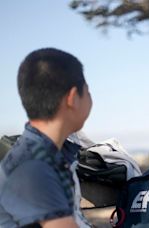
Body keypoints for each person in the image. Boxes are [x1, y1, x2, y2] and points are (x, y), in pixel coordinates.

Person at [0, 48, 93, 227]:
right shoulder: (34, 167)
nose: (91, 100)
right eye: (88, 93)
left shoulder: (41, 154)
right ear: (73, 98)